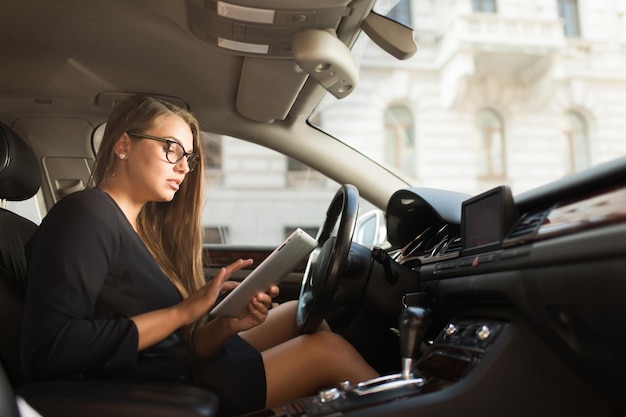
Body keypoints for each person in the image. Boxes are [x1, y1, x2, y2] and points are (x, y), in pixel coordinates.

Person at [21, 95, 379, 416]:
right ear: (124, 145)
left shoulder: (141, 229)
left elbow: (179, 345)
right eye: (170, 149)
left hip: (187, 364)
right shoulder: (86, 214)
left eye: (188, 157)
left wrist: (225, 324)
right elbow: (52, 348)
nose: (184, 168)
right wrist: (181, 312)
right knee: (327, 350)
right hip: (168, 390)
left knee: (297, 317)